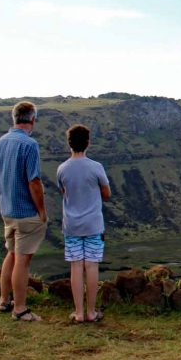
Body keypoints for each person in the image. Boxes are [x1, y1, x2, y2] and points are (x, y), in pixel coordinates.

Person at [0, 101, 47, 322]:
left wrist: (4, 199)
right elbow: (34, 181)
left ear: (14, 119)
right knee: (22, 260)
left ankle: (4, 300)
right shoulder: (29, 144)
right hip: (26, 212)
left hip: (8, 211)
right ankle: (20, 309)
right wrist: (41, 210)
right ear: (32, 120)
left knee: (11, 254)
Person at [57, 124, 111, 323]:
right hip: (93, 224)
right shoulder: (96, 167)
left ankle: (78, 313)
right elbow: (106, 194)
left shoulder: (62, 168)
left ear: (69, 143)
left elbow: (64, 192)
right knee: (92, 265)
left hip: (72, 225)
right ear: (88, 142)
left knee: (76, 267)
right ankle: (91, 312)